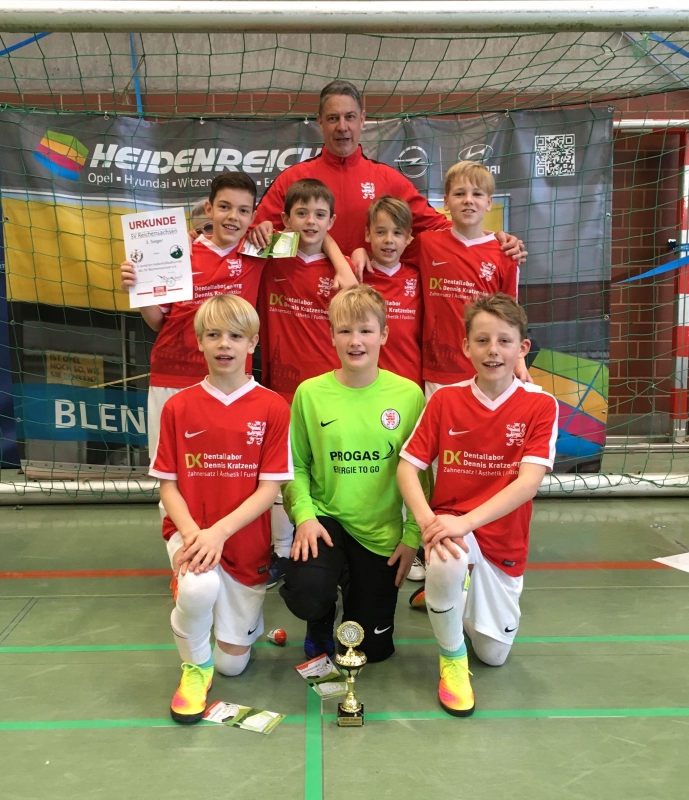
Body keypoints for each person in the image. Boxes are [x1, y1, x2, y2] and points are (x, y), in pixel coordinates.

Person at [397, 293, 558, 717]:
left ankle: (450, 594)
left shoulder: (540, 404)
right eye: (482, 340)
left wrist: (465, 522)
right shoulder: (445, 400)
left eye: (504, 341)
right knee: (447, 558)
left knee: (493, 655)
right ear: (466, 346)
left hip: (502, 539)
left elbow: (527, 484)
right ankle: (451, 657)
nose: (493, 351)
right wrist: (428, 522)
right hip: (452, 526)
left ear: (522, 348)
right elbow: (407, 468)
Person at [149, 293, 293, 724]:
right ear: (199, 342)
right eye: (213, 335)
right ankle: (195, 667)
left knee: (233, 664)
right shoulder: (178, 406)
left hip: (244, 544)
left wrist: (219, 533)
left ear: (252, 343)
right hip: (189, 533)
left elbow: (269, 490)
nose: (224, 344)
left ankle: (232, 629)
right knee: (198, 587)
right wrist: (194, 534)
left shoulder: (272, 406)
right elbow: (168, 486)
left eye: (235, 336)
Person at [280, 284, 430, 663]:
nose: (355, 341)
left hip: (379, 533)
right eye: (344, 330)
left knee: (371, 651)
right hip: (325, 521)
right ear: (332, 335)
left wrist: (412, 537)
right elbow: (295, 466)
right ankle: (320, 616)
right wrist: (304, 517)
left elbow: (421, 474)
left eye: (365, 330)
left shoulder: (409, 395)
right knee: (308, 592)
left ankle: (353, 586)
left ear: (384, 334)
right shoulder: (310, 393)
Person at [248, 80, 525, 273]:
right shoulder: (293, 179)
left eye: (349, 117)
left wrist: (491, 238)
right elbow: (252, 244)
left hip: (369, 307)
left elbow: (439, 229)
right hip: (304, 303)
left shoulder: (389, 180)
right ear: (319, 121)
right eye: (333, 118)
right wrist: (298, 247)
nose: (342, 127)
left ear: (362, 120)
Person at [258, 178, 354, 589]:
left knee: (326, 470)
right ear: (285, 219)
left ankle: (338, 550)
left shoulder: (342, 272)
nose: (310, 222)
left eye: (319, 215)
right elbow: (224, 242)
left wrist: (342, 263)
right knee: (283, 472)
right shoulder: (269, 255)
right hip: (279, 390)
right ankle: (282, 552)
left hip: (327, 390)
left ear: (332, 220)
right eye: (301, 213)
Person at [405, 160, 529, 399]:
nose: (468, 200)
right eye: (460, 193)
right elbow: (388, 262)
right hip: (438, 372)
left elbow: (511, 315)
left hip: (488, 370)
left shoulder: (505, 254)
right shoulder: (426, 244)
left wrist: (518, 360)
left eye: (477, 194)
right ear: (446, 202)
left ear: (489, 203)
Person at [362, 196, 422, 388]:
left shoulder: (419, 277)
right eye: (380, 232)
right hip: (367, 385)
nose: (388, 240)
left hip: (410, 385)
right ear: (368, 234)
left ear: (408, 237)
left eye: (397, 233)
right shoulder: (356, 275)